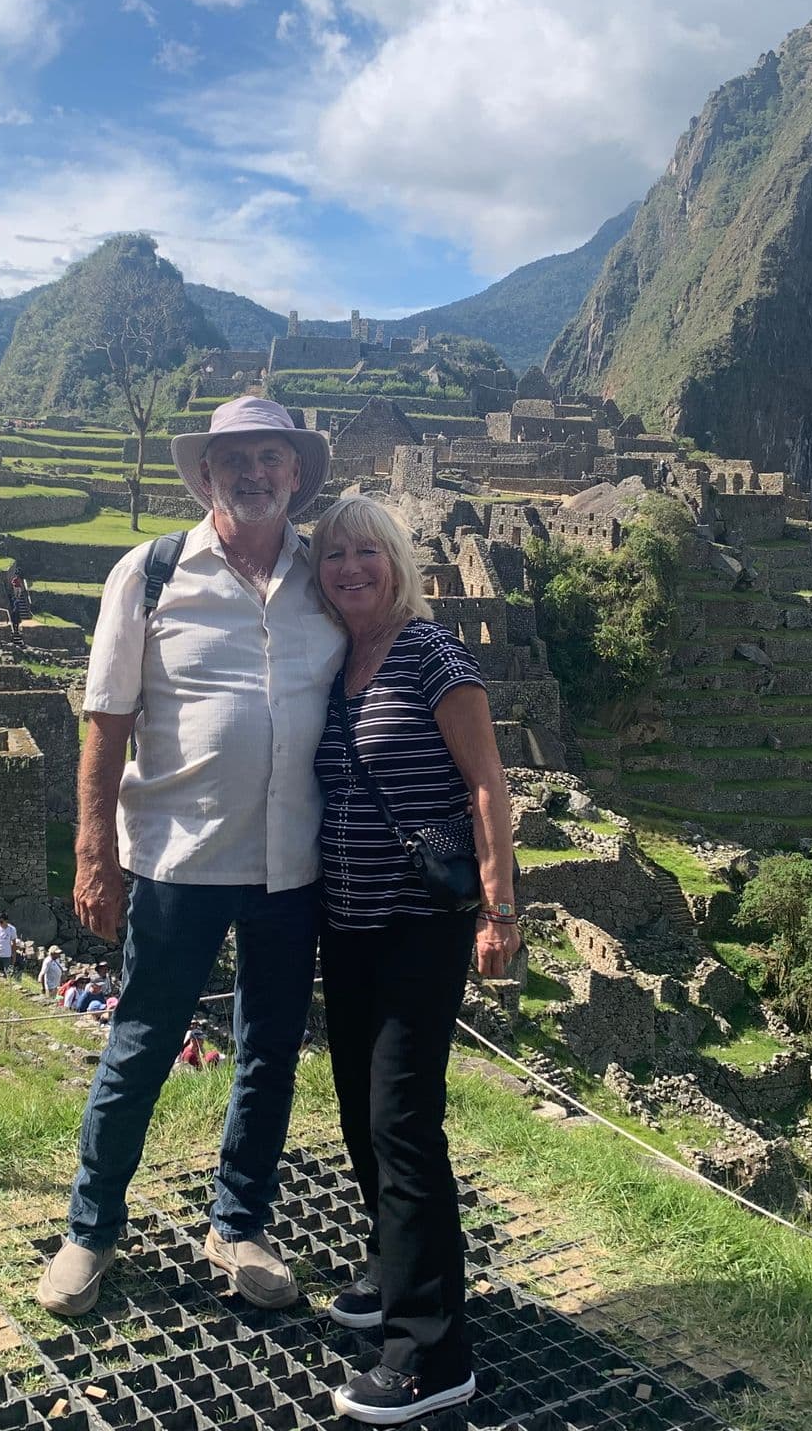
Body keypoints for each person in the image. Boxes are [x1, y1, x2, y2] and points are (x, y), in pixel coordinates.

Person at [37, 396, 343, 1320]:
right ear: (206, 475)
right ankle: (89, 1233)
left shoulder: (323, 576)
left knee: (269, 1055)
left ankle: (239, 1223)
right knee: (138, 1045)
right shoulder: (151, 574)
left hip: (293, 865)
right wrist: (95, 851)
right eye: (233, 460)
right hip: (177, 860)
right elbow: (106, 718)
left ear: (295, 472)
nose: (253, 474)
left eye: (270, 458)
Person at [309, 496, 519, 1426]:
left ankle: (431, 1352)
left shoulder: (434, 655)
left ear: (396, 561)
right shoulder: (335, 664)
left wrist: (500, 912)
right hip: (344, 925)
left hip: (419, 928)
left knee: (403, 1122)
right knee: (360, 1107)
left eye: (368, 552)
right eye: (335, 556)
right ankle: (397, 1268)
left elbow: (486, 784)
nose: (351, 568)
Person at [6, 571, 32, 637]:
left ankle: (16, 630)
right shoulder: (15, 579)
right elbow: (13, 582)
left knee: (18, 591)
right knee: (16, 622)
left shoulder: (15, 607)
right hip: (16, 615)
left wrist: (20, 585)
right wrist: (15, 585)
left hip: (16, 615)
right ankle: (16, 630)